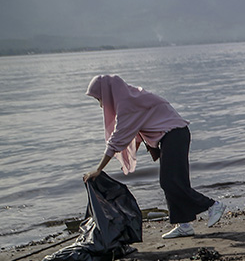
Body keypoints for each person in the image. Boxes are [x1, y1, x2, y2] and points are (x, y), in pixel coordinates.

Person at [83, 74, 225, 239]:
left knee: (170, 182)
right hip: (172, 136)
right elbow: (135, 129)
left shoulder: (127, 102)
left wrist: (98, 169)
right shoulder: (129, 96)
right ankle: (184, 225)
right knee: (173, 181)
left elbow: (117, 138)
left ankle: (212, 205)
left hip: (174, 135)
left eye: (100, 98)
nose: (101, 104)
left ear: (107, 93)